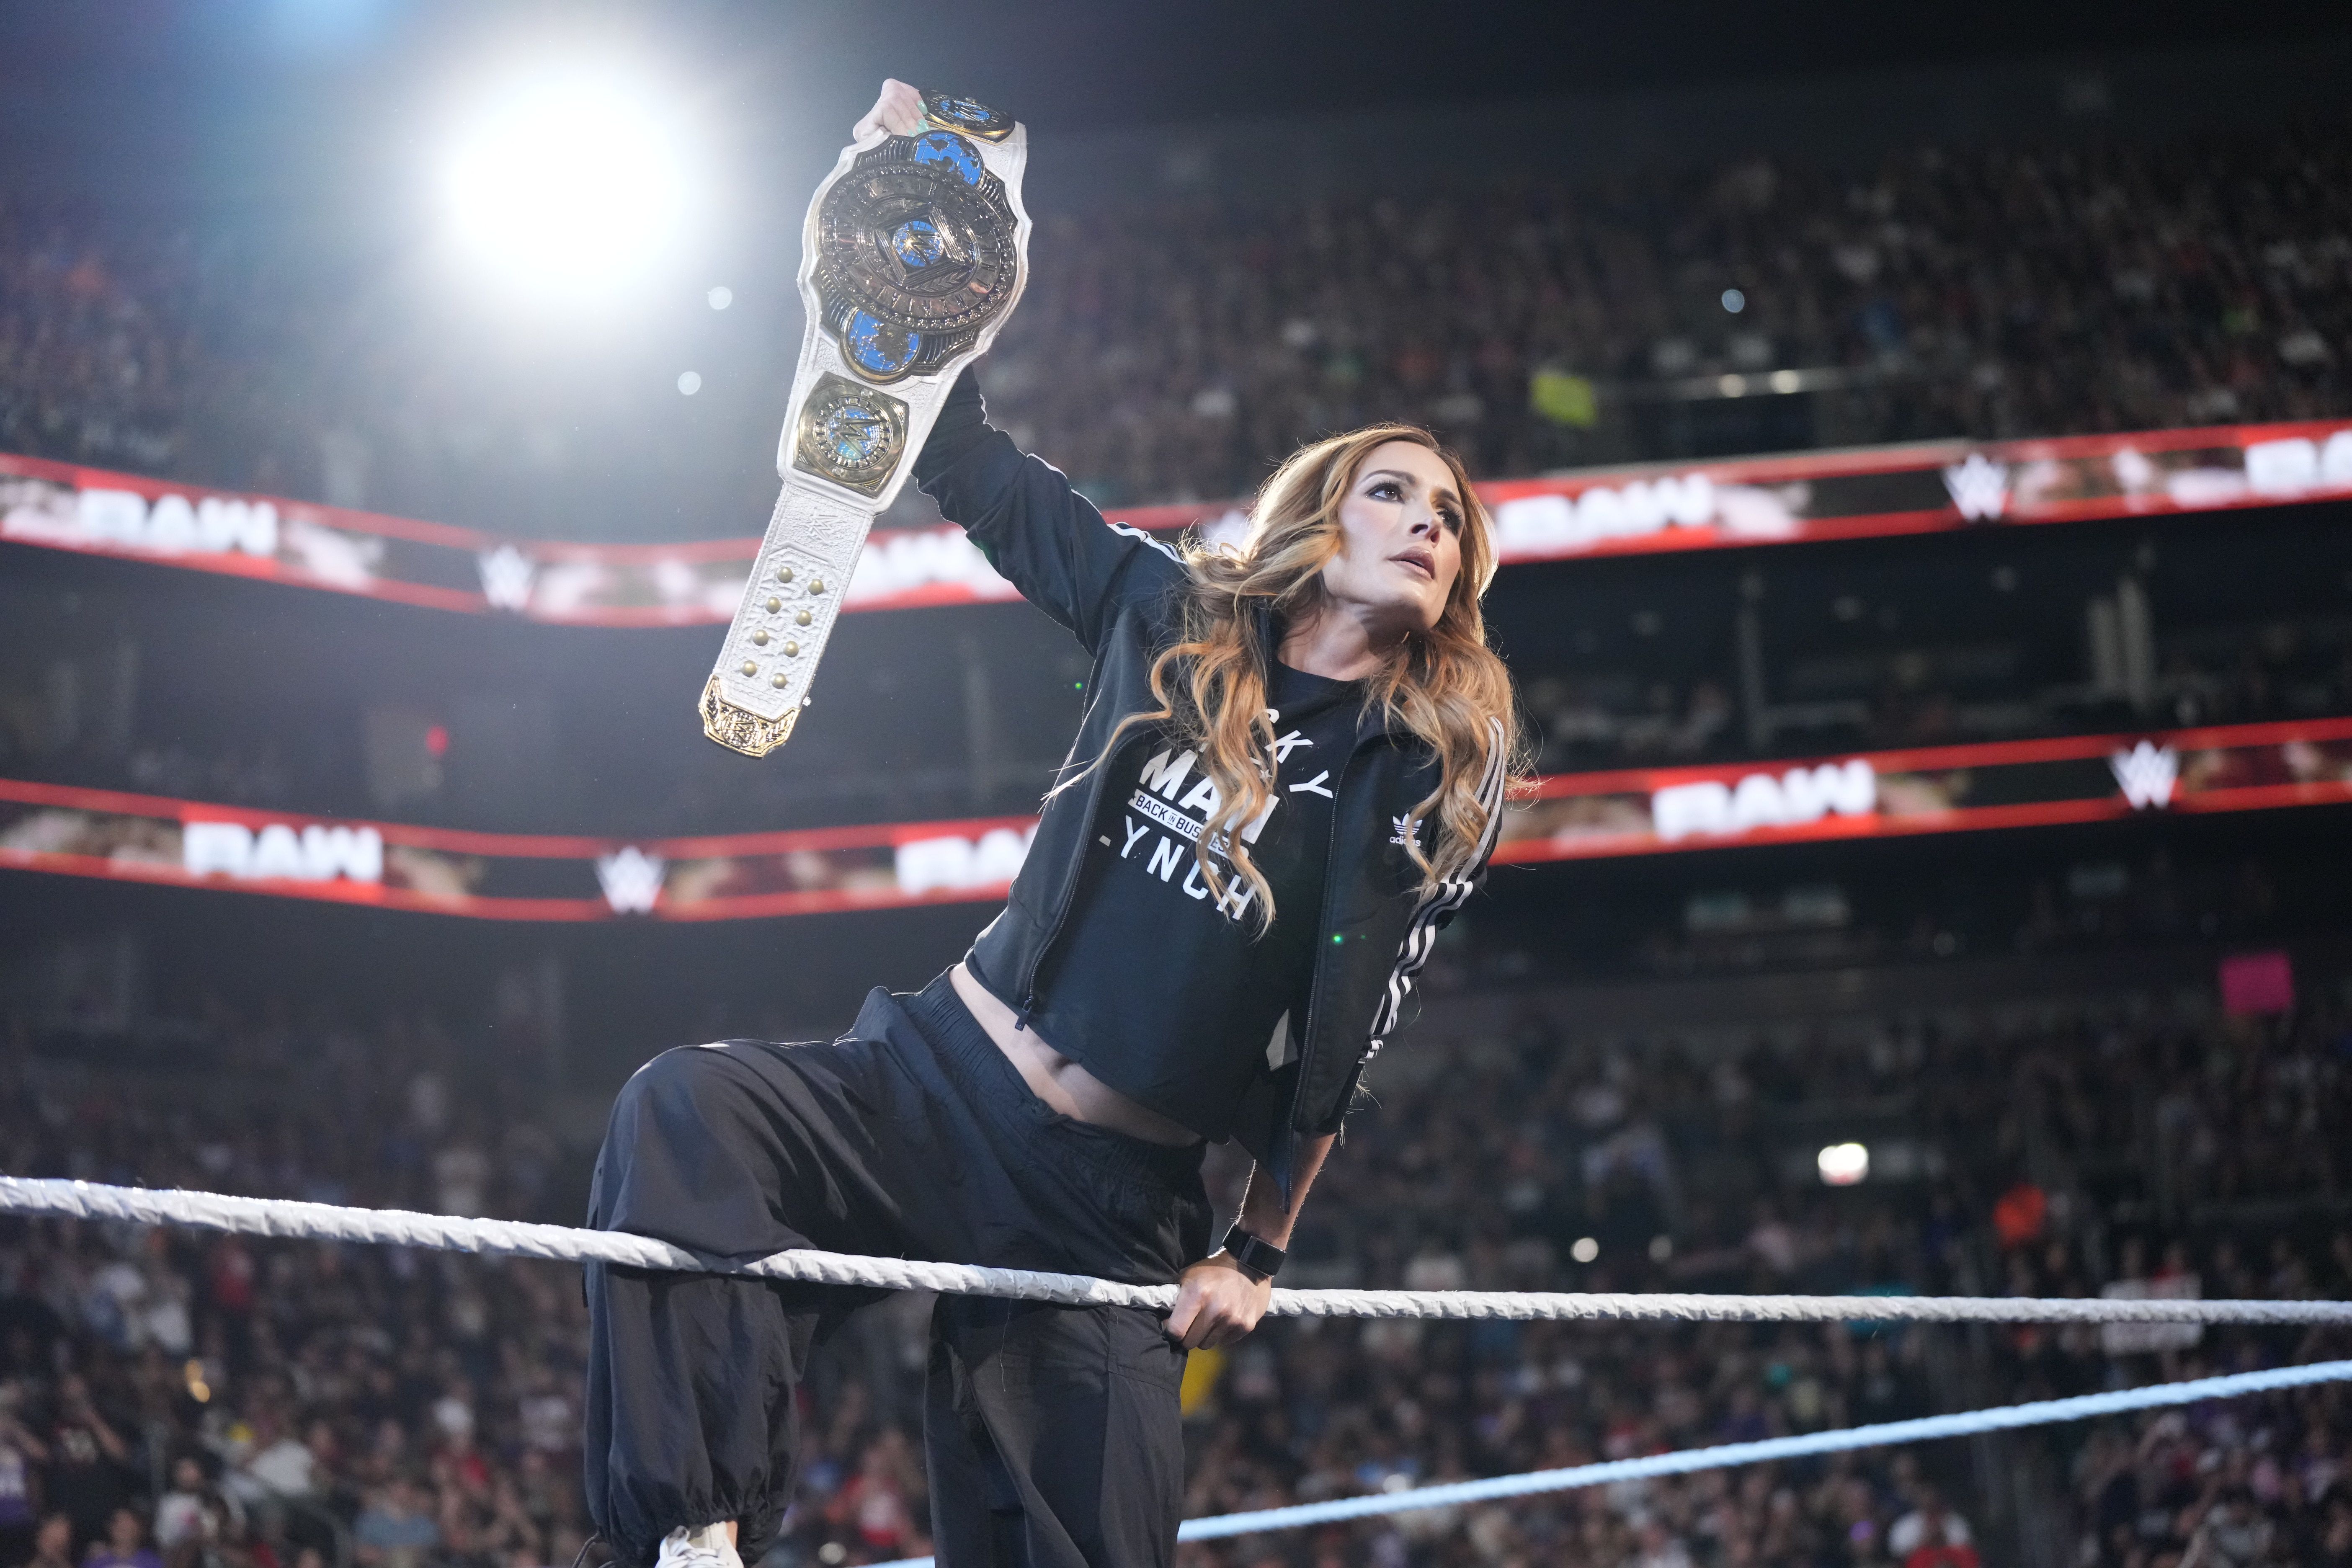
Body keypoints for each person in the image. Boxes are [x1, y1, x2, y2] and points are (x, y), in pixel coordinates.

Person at [580, 77, 1520, 1568]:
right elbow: (966, 462)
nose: (1427, 521)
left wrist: (1257, 1250)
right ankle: (696, 1532)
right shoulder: (1166, 611)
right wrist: (905, 235)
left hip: (1107, 1204)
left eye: (1450, 517)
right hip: (930, 1081)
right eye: (1392, 492)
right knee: (685, 1110)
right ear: (1318, 516)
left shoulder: (1412, 775)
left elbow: (1349, 1036)